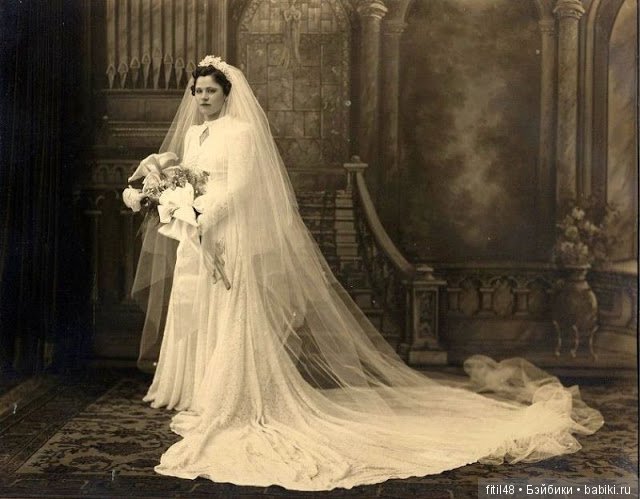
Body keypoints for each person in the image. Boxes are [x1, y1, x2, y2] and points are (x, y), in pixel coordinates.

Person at [128, 55, 603, 491]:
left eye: (211, 91)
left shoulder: (243, 133)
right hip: (198, 233)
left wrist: (205, 216)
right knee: (199, 305)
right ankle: (195, 388)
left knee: (232, 308)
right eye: (198, 91)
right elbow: (188, 179)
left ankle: (229, 396)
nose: (203, 98)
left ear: (227, 93)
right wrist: (179, 205)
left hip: (228, 230)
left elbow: (243, 186)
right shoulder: (194, 135)